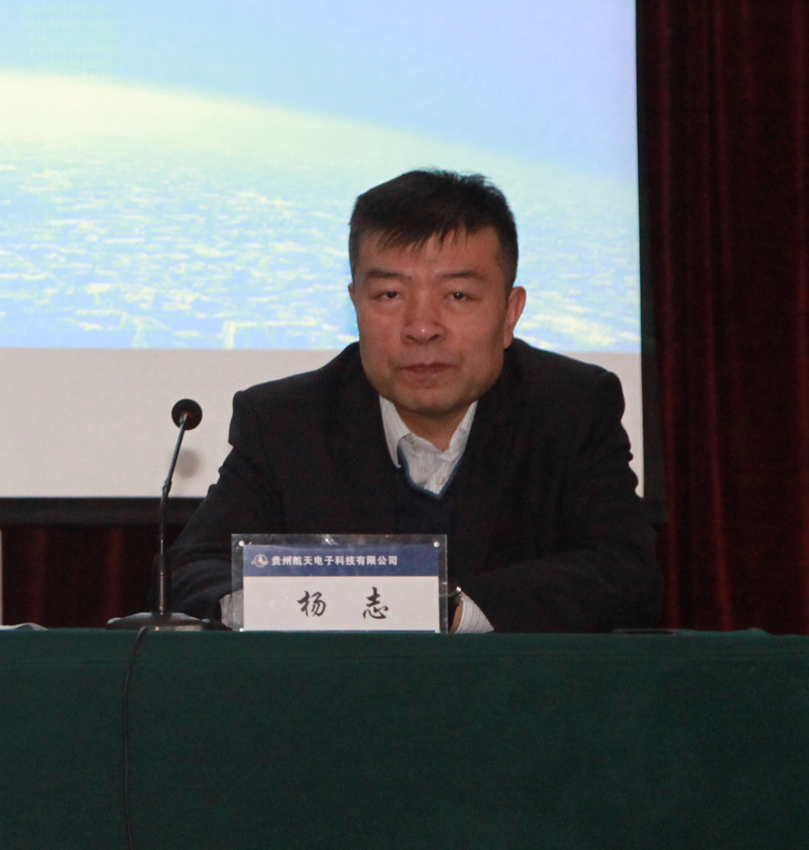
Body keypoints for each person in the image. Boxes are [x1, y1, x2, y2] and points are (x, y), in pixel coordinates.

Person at [168, 169, 662, 633]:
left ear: (510, 313)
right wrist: (296, 604)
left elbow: (624, 570)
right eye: (389, 295)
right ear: (355, 304)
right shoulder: (286, 421)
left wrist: (452, 609)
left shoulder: (570, 407)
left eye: (458, 296)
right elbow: (192, 569)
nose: (422, 328)